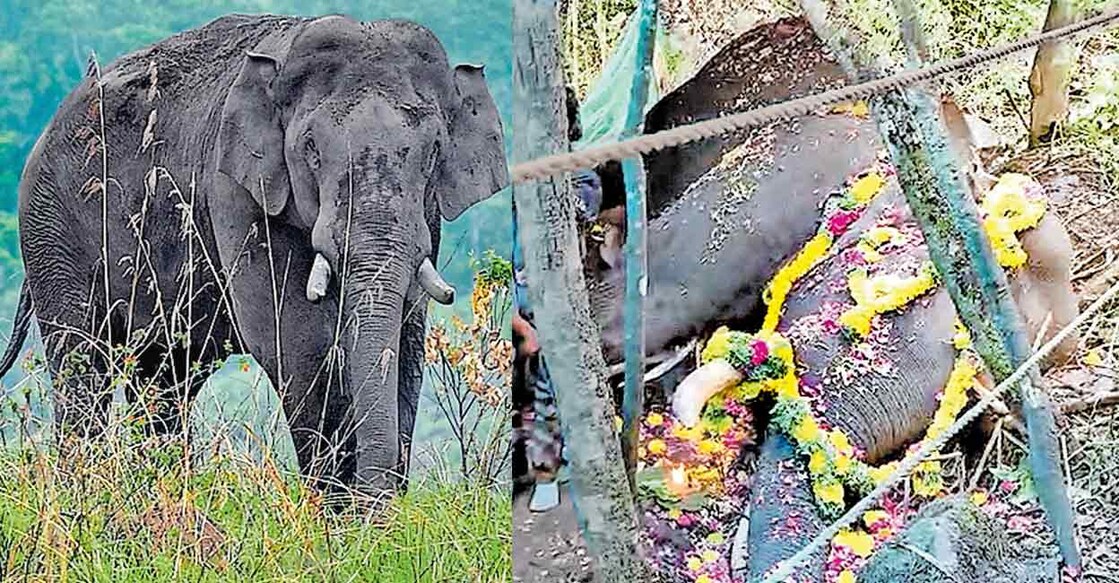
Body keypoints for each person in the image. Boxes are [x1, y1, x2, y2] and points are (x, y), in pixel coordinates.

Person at [511, 86, 602, 513]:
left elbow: (576, 213)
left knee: (554, 391)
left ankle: (548, 475)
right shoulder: (514, 177)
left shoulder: (581, 176)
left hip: (557, 307)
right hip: (514, 306)